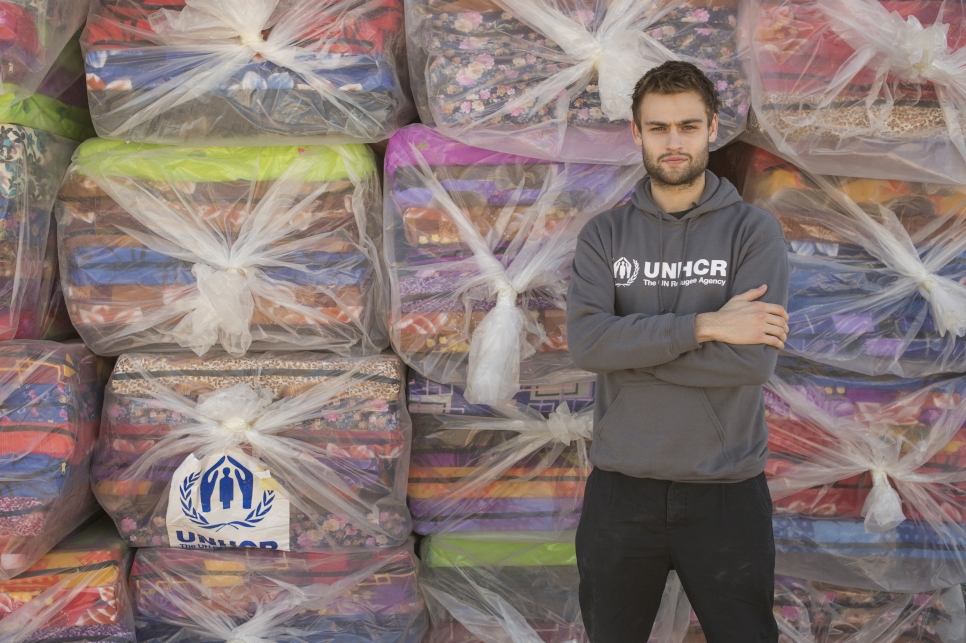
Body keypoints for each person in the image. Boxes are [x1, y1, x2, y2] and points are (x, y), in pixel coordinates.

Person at [567, 61, 789, 642]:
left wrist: (630, 347)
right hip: (621, 489)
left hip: (726, 490)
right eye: (659, 128)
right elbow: (588, 343)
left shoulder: (752, 232)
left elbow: (752, 363)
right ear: (636, 133)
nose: (674, 142)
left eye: (688, 127)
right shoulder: (604, 235)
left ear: (713, 129)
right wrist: (709, 325)